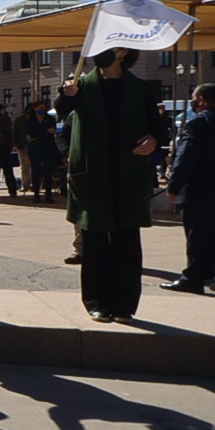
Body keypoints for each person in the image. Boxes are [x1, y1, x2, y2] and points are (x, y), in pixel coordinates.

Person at [55, 47, 169, 323]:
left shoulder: (139, 88)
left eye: (108, 48)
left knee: (127, 240)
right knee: (94, 241)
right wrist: (66, 94)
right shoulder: (81, 86)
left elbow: (159, 127)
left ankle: (124, 305)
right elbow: (61, 112)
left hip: (128, 173)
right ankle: (96, 302)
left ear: (122, 52)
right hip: (93, 175)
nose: (100, 54)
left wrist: (154, 139)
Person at [161, 84, 215, 294]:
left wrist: (174, 186)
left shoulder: (196, 125)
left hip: (202, 189)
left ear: (201, 100)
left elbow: (185, 158)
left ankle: (194, 277)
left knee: (199, 235)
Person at [24, 101, 60, 204]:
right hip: (35, 149)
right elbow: (31, 134)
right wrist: (45, 131)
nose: (42, 109)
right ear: (34, 108)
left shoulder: (50, 118)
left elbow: (52, 131)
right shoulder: (30, 120)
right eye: (40, 107)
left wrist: (39, 134)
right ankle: (36, 195)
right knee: (35, 171)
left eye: (44, 108)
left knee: (48, 172)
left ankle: (48, 195)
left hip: (48, 148)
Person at [0, 101, 20, 198]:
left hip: (4, 147)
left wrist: (11, 144)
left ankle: (12, 190)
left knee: (8, 170)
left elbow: (9, 132)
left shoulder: (5, 118)